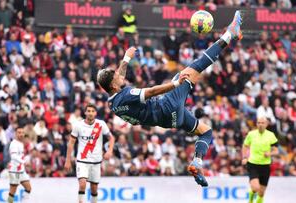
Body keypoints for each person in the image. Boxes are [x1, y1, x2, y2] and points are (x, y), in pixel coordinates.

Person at [97, 11, 243, 187]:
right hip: (167, 106)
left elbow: (118, 77)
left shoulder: (113, 102)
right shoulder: (126, 94)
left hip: (168, 120)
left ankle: (197, 161)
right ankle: (230, 33)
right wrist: (175, 85)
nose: (119, 75)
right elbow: (150, 92)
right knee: (194, 68)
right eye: (115, 76)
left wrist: (126, 59)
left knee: (206, 131)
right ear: (113, 85)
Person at [64, 103, 115, 203]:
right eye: (88, 111)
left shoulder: (101, 124)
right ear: (85, 113)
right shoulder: (78, 125)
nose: (90, 113)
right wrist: (68, 160)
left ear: (95, 113)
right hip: (82, 160)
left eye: (92, 111)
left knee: (94, 188)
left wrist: (110, 150)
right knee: (82, 184)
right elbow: (71, 143)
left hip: (96, 161)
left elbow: (111, 137)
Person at [242, 117, 279, 203]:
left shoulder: (271, 135)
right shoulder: (251, 134)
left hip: (265, 165)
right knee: (255, 188)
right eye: (259, 123)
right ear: (256, 124)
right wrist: (244, 157)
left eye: (262, 123)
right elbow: (245, 146)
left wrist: (269, 154)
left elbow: (276, 150)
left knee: (261, 193)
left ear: (266, 124)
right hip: (253, 164)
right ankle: (250, 200)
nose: (260, 125)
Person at [8, 126, 32, 203]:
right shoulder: (14, 143)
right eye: (19, 132)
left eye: (22, 132)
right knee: (12, 191)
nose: (21, 134)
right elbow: (14, 156)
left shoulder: (21, 143)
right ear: (15, 134)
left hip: (21, 170)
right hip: (15, 170)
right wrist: (24, 162)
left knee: (28, 188)